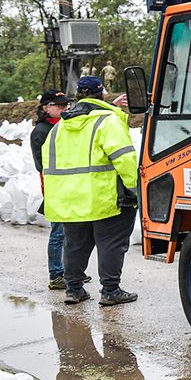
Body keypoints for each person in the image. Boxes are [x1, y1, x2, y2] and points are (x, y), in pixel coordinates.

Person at [42, 76, 139, 306]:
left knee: (75, 245)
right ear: (102, 94)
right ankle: (110, 291)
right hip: (104, 198)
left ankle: (74, 290)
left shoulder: (60, 127)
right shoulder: (107, 122)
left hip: (69, 200)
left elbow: (49, 165)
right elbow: (124, 159)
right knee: (111, 244)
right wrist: (137, 191)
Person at [31, 89, 73, 289]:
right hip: (54, 188)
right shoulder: (41, 131)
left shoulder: (64, 125)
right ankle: (56, 274)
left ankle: (70, 270)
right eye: (59, 106)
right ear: (45, 108)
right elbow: (42, 166)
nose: (64, 108)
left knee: (71, 231)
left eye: (66, 105)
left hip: (70, 185)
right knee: (58, 232)